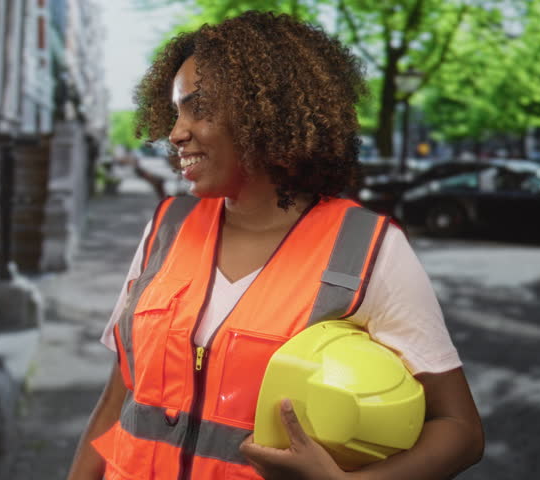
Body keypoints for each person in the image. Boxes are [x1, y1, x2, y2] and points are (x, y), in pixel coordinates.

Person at [67, 11, 484, 480]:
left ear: (267, 114)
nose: (176, 131)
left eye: (198, 108)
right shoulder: (166, 227)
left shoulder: (368, 249)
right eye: (176, 110)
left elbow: (460, 429)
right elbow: (117, 400)